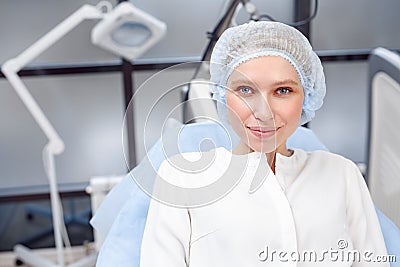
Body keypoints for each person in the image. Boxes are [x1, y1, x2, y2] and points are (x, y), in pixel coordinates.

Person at [140, 21, 388, 266]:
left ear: (307, 96)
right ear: (222, 93)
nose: (264, 112)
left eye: (282, 91)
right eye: (245, 90)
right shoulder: (183, 178)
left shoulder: (341, 174)